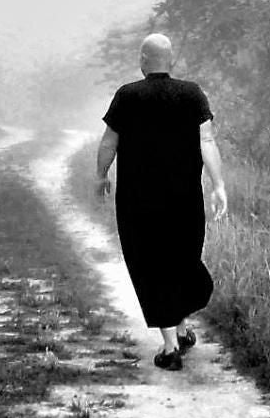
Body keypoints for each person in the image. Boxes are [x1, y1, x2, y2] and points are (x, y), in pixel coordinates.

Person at [95, 33, 227, 370]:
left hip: (137, 202)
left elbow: (109, 142)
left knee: (150, 265)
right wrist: (218, 184)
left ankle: (170, 347)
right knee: (181, 260)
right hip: (184, 200)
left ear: (142, 59)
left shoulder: (127, 96)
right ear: (171, 61)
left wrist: (101, 176)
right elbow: (207, 140)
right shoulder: (192, 93)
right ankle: (180, 331)